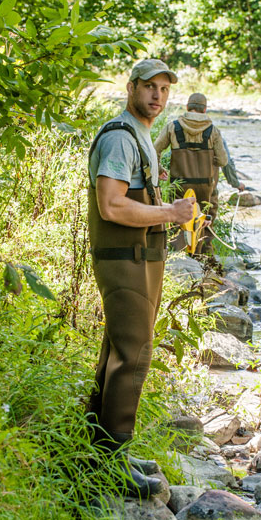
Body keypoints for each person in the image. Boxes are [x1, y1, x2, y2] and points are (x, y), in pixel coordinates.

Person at [86, 59, 195, 497]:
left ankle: (99, 452)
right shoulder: (118, 136)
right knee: (133, 356)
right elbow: (111, 205)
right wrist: (169, 211)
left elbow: (130, 193)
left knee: (117, 352)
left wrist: (153, 188)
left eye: (165, 89)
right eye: (150, 87)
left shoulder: (140, 136)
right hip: (123, 258)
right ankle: (111, 464)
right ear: (131, 88)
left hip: (139, 257)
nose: (158, 96)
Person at [154, 92, 228, 254]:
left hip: (179, 184)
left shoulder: (173, 127)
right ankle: (202, 256)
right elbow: (223, 161)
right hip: (204, 185)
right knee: (204, 220)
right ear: (205, 110)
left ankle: (178, 255)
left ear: (187, 107)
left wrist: (159, 169)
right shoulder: (213, 131)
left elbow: (154, 151)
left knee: (177, 219)